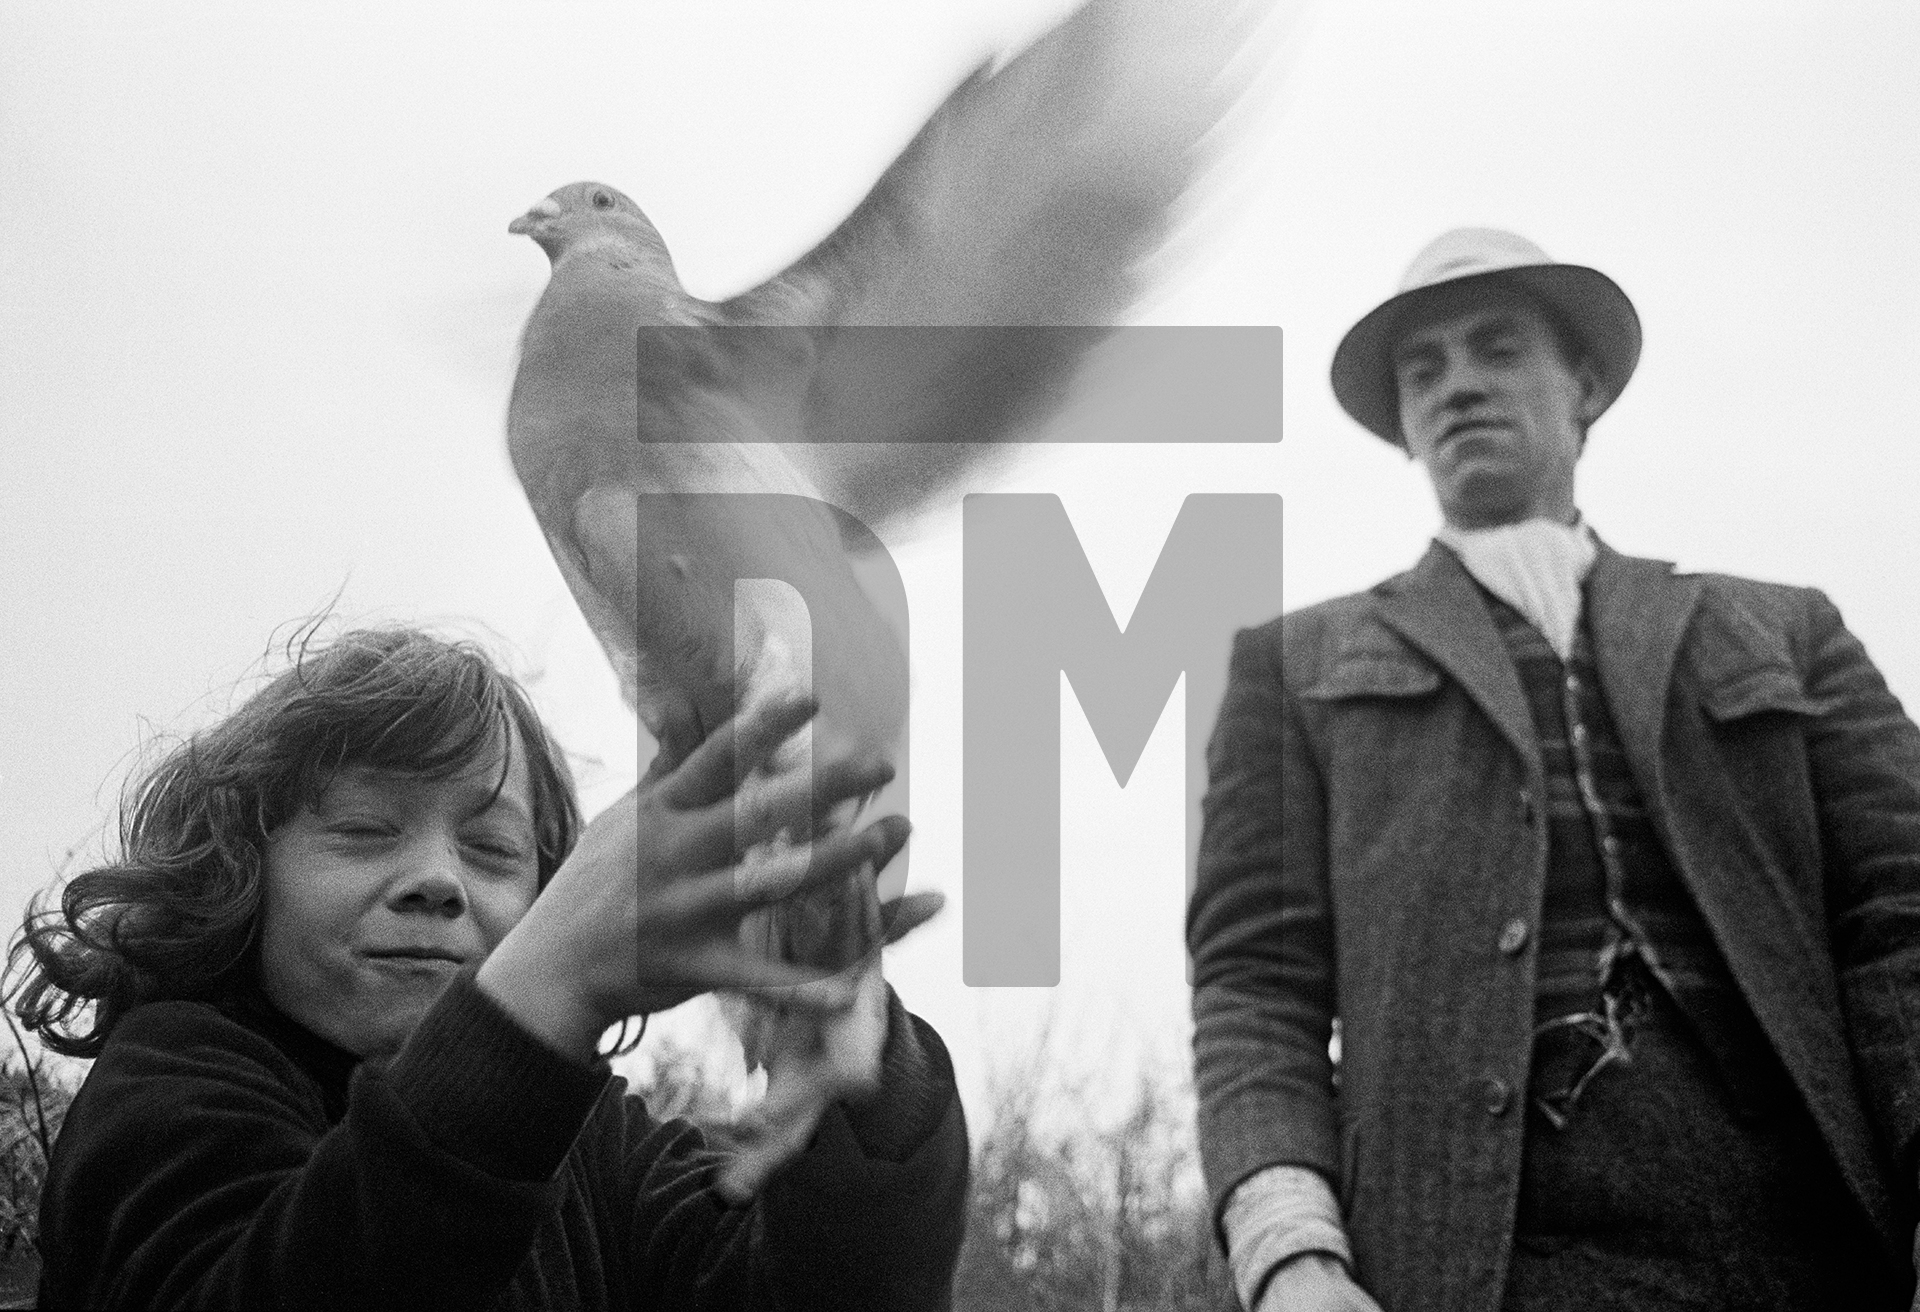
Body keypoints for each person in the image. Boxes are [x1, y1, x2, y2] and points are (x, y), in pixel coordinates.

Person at [1187, 228, 1920, 1311]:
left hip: (1800, 1244)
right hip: (1472, 1267)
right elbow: (1255, 985)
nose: (1458, 386)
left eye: (1496, 348)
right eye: (1422, 370)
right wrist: (1291, 1254)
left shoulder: (1782, 628)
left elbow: (1901, 912)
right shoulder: (1290, 668)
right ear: (1400, 427)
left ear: (1584, 385)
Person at [10, 625, 967, 1309]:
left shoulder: (596, 1142)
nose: (436, 880)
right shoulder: (173, 1083)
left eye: (495, 850)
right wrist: (545, 990)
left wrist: (856, 1085)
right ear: (241, 873)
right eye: (363, 831)